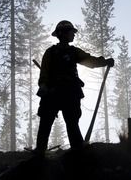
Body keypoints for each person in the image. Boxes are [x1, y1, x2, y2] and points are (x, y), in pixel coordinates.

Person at [35, 20, 114, 154]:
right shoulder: (51, 52)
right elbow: (44, 73)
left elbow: (90, 61)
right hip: (55, 92)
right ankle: (41, 151)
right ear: (64, 33)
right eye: (72, 32)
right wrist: (43, 86)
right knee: (47, 121)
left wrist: (104, 62)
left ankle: (77, 148)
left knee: (71, 122)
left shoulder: (73, 52)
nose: (74, 35)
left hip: (68, 92)